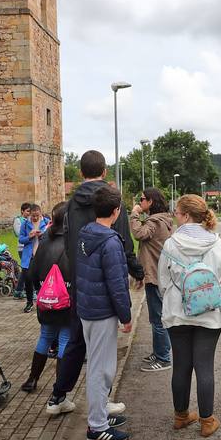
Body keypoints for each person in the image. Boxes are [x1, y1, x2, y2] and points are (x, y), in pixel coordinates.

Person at [45, 150, 142, 418]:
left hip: (80, 278)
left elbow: (66, 241)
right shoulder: (113, 200)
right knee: (104, 350)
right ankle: (101, 403)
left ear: (80, 172)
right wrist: (138, 271)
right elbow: (123, 241)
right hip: (107, 280)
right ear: (105, 171)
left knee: (76, 341)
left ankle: (58, 396)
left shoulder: (71, 204)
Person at [159, 194, 221, 438]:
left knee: (180, 364)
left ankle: (181, 416)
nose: (174, 216)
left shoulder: (171, 244)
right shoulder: (216, 242)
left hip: (177, 313)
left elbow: (163, 281)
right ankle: (207, 421)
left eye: (177, 213)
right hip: (209, 313)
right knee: (204, 366)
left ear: (186, 215)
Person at [75, 185, 133, 440]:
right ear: (117, 211)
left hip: (88, 309)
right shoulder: (110, 242)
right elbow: (117, 284)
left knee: (101, 366)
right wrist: (126, 315)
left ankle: (100, 412)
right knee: (100, 369)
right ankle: (96, 426)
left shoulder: (86, 233)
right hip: (101, 312)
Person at [20, 202, 71, 393]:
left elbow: (33, 271)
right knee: (65, 339)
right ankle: (60, 388)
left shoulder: (45, 241)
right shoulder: (73, 242)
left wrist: (40, 290)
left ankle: (32, 379)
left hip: (46, 298)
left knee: (45, 337)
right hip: (67, 299)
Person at [130, 188, 176, 370]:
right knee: (157, 317)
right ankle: (159, 352)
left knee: (158, 319)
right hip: (158, 274)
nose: (140, 202)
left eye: (142, 199)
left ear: (150, 202)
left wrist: (134, 215)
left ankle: (163, 358)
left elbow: (139, 234)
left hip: (156, 276)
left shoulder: (155, 222)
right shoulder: (162, 219)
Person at [20, 204, 50, 311]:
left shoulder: (47, 222)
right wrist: (30, 236)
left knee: (41, 279)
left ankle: (41, 299)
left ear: (40, 213)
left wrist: (42, 235)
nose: (35, 218)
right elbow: (21, 239)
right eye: (33, 216)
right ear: (30, 214)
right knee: (28, 278)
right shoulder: (25, 224)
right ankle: (29, 302)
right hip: (30, 255)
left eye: (37, 215)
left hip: (42, 255)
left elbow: (52, 237)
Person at [11, 201, 32, 298]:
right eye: (27, 211)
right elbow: (19, 233)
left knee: (26, 270)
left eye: (30, 211)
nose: (29, 213)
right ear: (22, 211)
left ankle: (19, 290)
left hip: (30, 247)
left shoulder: (31, 220)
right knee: (25, 270)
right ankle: (19, 290)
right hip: (22, 247)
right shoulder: (18, 220)